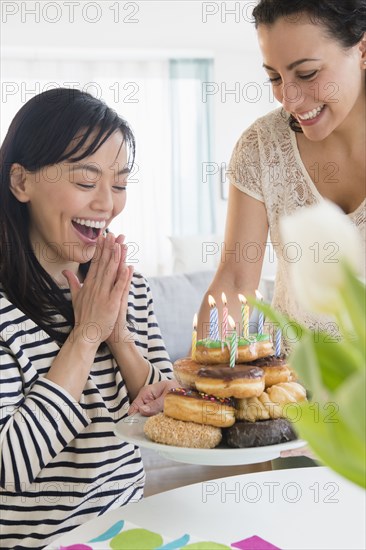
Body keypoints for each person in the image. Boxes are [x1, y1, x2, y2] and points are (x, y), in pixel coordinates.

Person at [0, 88, 176, 549]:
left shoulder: (125, 284)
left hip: (131, 532)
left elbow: (171, 414)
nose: (107, 204)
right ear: (21, 182)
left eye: (118, 185)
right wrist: (86, 335)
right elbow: (11, 465)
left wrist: (119, 339)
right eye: (85, 182)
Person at [196, 0, 366, 347]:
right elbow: (235, 280)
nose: (288, 99)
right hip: (288, 391)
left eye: (307, 74)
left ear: (362, 49)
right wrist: (196, 382)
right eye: (274, 77)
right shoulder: (262, 147)